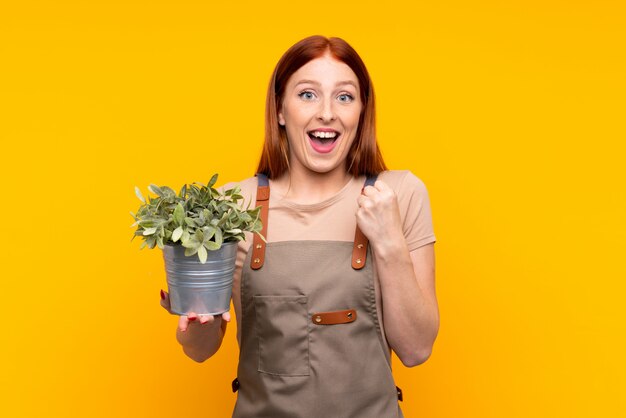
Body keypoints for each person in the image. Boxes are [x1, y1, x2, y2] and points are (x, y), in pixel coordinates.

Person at [160, 35, 439, 418]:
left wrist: (389, 241)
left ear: (361, 112)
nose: (327, 113)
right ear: (280, 109)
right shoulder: (232, 205)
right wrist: (193, 319)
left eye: (344, 97)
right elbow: (201, 350)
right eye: (308, 95)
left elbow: (417, 350)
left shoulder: (400, 194)